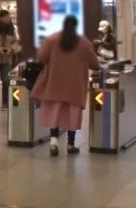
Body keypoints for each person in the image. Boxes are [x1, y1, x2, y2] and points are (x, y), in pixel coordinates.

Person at [32, 16, 100, 157]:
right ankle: (70, 144)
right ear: (76, 26)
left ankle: (54, 143)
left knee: (55, 114)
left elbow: (42, 57)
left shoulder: (52, 39)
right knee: (73, 115)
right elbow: (95, 64)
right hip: (75, 85)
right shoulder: (84, 42)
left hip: (54, 83)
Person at [0, 10, 21, 109]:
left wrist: (11, 49)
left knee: (6, 80)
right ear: (1, 18)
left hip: (7, 59)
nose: (9, 18)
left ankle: (6, 103)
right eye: (7, 17)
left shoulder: (11, 28)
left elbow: (16, 42)